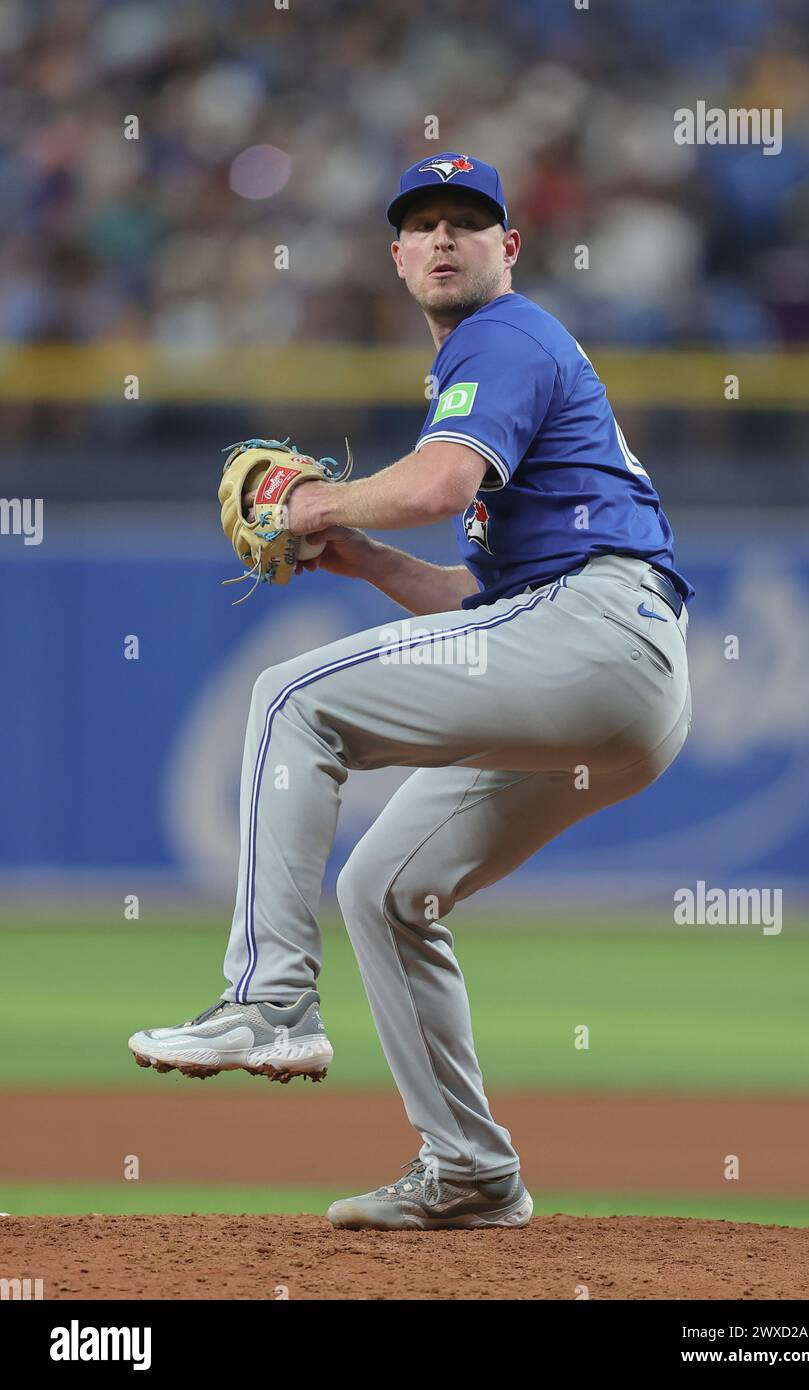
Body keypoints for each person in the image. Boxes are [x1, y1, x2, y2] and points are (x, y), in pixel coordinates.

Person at [129, 152, 693, 1232]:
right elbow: (476, 599)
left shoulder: (505, 336)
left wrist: (306, 507)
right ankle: (470, 1167)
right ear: (395, 254)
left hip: (601, 631)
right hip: (609, 673)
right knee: (385, 889)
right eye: (422, 224)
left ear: (507, 249)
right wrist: (363, 559)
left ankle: (268, 1003)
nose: (442, 239)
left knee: (293, 700)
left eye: (466, 223)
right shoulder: (483, 369)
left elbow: (438, 485)